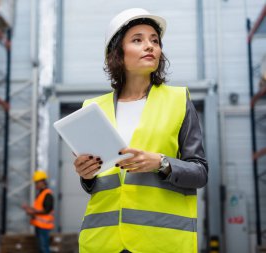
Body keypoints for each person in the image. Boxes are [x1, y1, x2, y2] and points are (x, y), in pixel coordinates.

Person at [73, 8, 208, 253]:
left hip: (160, 242)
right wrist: (86, 175)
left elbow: (200, 172)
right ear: (117, 53)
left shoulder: (178, 101)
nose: (150, 46)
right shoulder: (93, 109)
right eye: (138, 40)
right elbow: (99, 183)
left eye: (154, 41)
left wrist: (162, 163)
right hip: (102, 242)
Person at [22, 170, 54, 253]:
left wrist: (32, 212)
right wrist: (28, 208)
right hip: (39, 225)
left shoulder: (47, 194)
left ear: (42, 181)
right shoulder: (40, 193)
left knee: (44, 248)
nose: (36, 184)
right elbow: (38, 209)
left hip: (44, 226)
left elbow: (47, 210)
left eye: (37, 182)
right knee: (41, 248)